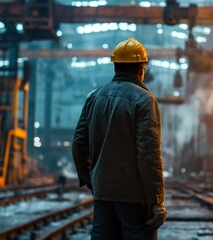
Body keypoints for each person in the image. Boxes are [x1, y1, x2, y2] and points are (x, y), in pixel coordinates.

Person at [72, 37, 166, 240]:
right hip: (135, 199)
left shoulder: (94, 97)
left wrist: (91, 181)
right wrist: (157, 200)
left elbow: (79, 145)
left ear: (115, 67)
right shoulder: (144, 100)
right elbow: (148, 155)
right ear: (141, 68)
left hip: (103, 194)